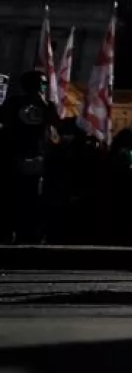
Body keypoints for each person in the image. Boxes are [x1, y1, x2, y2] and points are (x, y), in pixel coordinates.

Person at [0, 70, 58, 244]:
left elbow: (55, 125)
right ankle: (9, 232)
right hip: (15, 157)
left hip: (38, 159)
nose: (44, 87)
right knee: (12, 196)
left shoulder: (48, 105)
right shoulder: (14, 103)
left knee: (34, 198)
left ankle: (31, 234)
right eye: (42, 83)